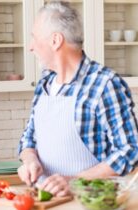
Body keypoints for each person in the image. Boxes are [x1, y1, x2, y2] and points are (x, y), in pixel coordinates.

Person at [17, 1, 138, 197]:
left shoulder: (104, 84)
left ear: (55, 41)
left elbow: (130, 151)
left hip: (90, 201)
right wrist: (30, 160)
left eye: (34, 37)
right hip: (44, 199)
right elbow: (28, 139)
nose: (31, 47)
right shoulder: (45, 83)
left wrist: (75, 181)